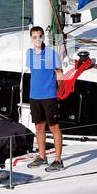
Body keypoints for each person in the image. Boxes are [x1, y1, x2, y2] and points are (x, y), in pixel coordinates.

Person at [26, 25, 68, 172]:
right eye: (34, 37)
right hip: (34, 96)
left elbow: (59, 74)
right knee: (39, 127)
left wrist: (60, 92)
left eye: (40, 36)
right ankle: (42, 157)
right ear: (31, 39)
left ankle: (58, 160)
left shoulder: (52, 54)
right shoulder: (29, 54)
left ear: (43, 37)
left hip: (50, 96)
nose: (38, 39)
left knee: (54, 127)